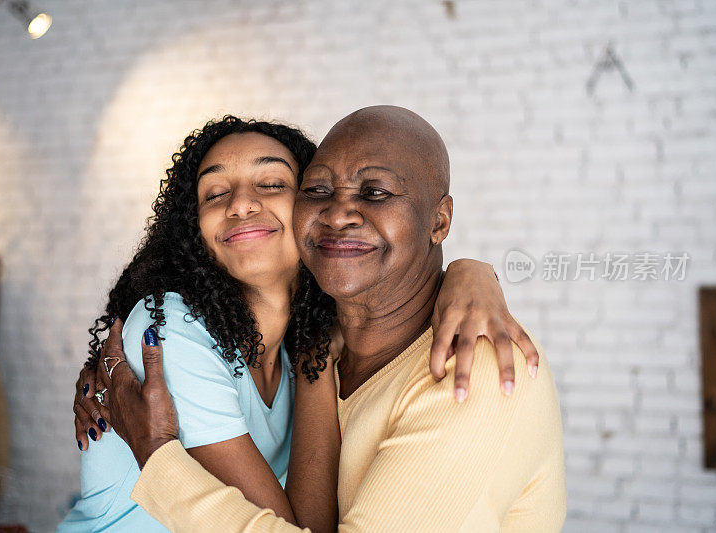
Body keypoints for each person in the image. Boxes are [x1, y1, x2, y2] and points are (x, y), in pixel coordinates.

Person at [96, 106, 567, 532]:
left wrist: (157, 453)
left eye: (375, 192)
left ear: (439, 221)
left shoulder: (475, 367)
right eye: (318, 190)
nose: (338, 213)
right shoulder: (309, 343)